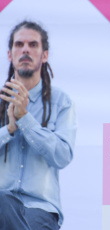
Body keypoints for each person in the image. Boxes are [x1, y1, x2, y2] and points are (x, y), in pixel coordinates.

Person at [0, 21, 77, 230]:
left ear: (44, 55)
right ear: (10, 54)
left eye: (33, 44)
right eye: (19, 44)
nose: (25, 49)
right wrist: (9, 129)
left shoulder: (61, 101)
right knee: (3, 202)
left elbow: (62, 156)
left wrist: (25, 119)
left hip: (40, 209)